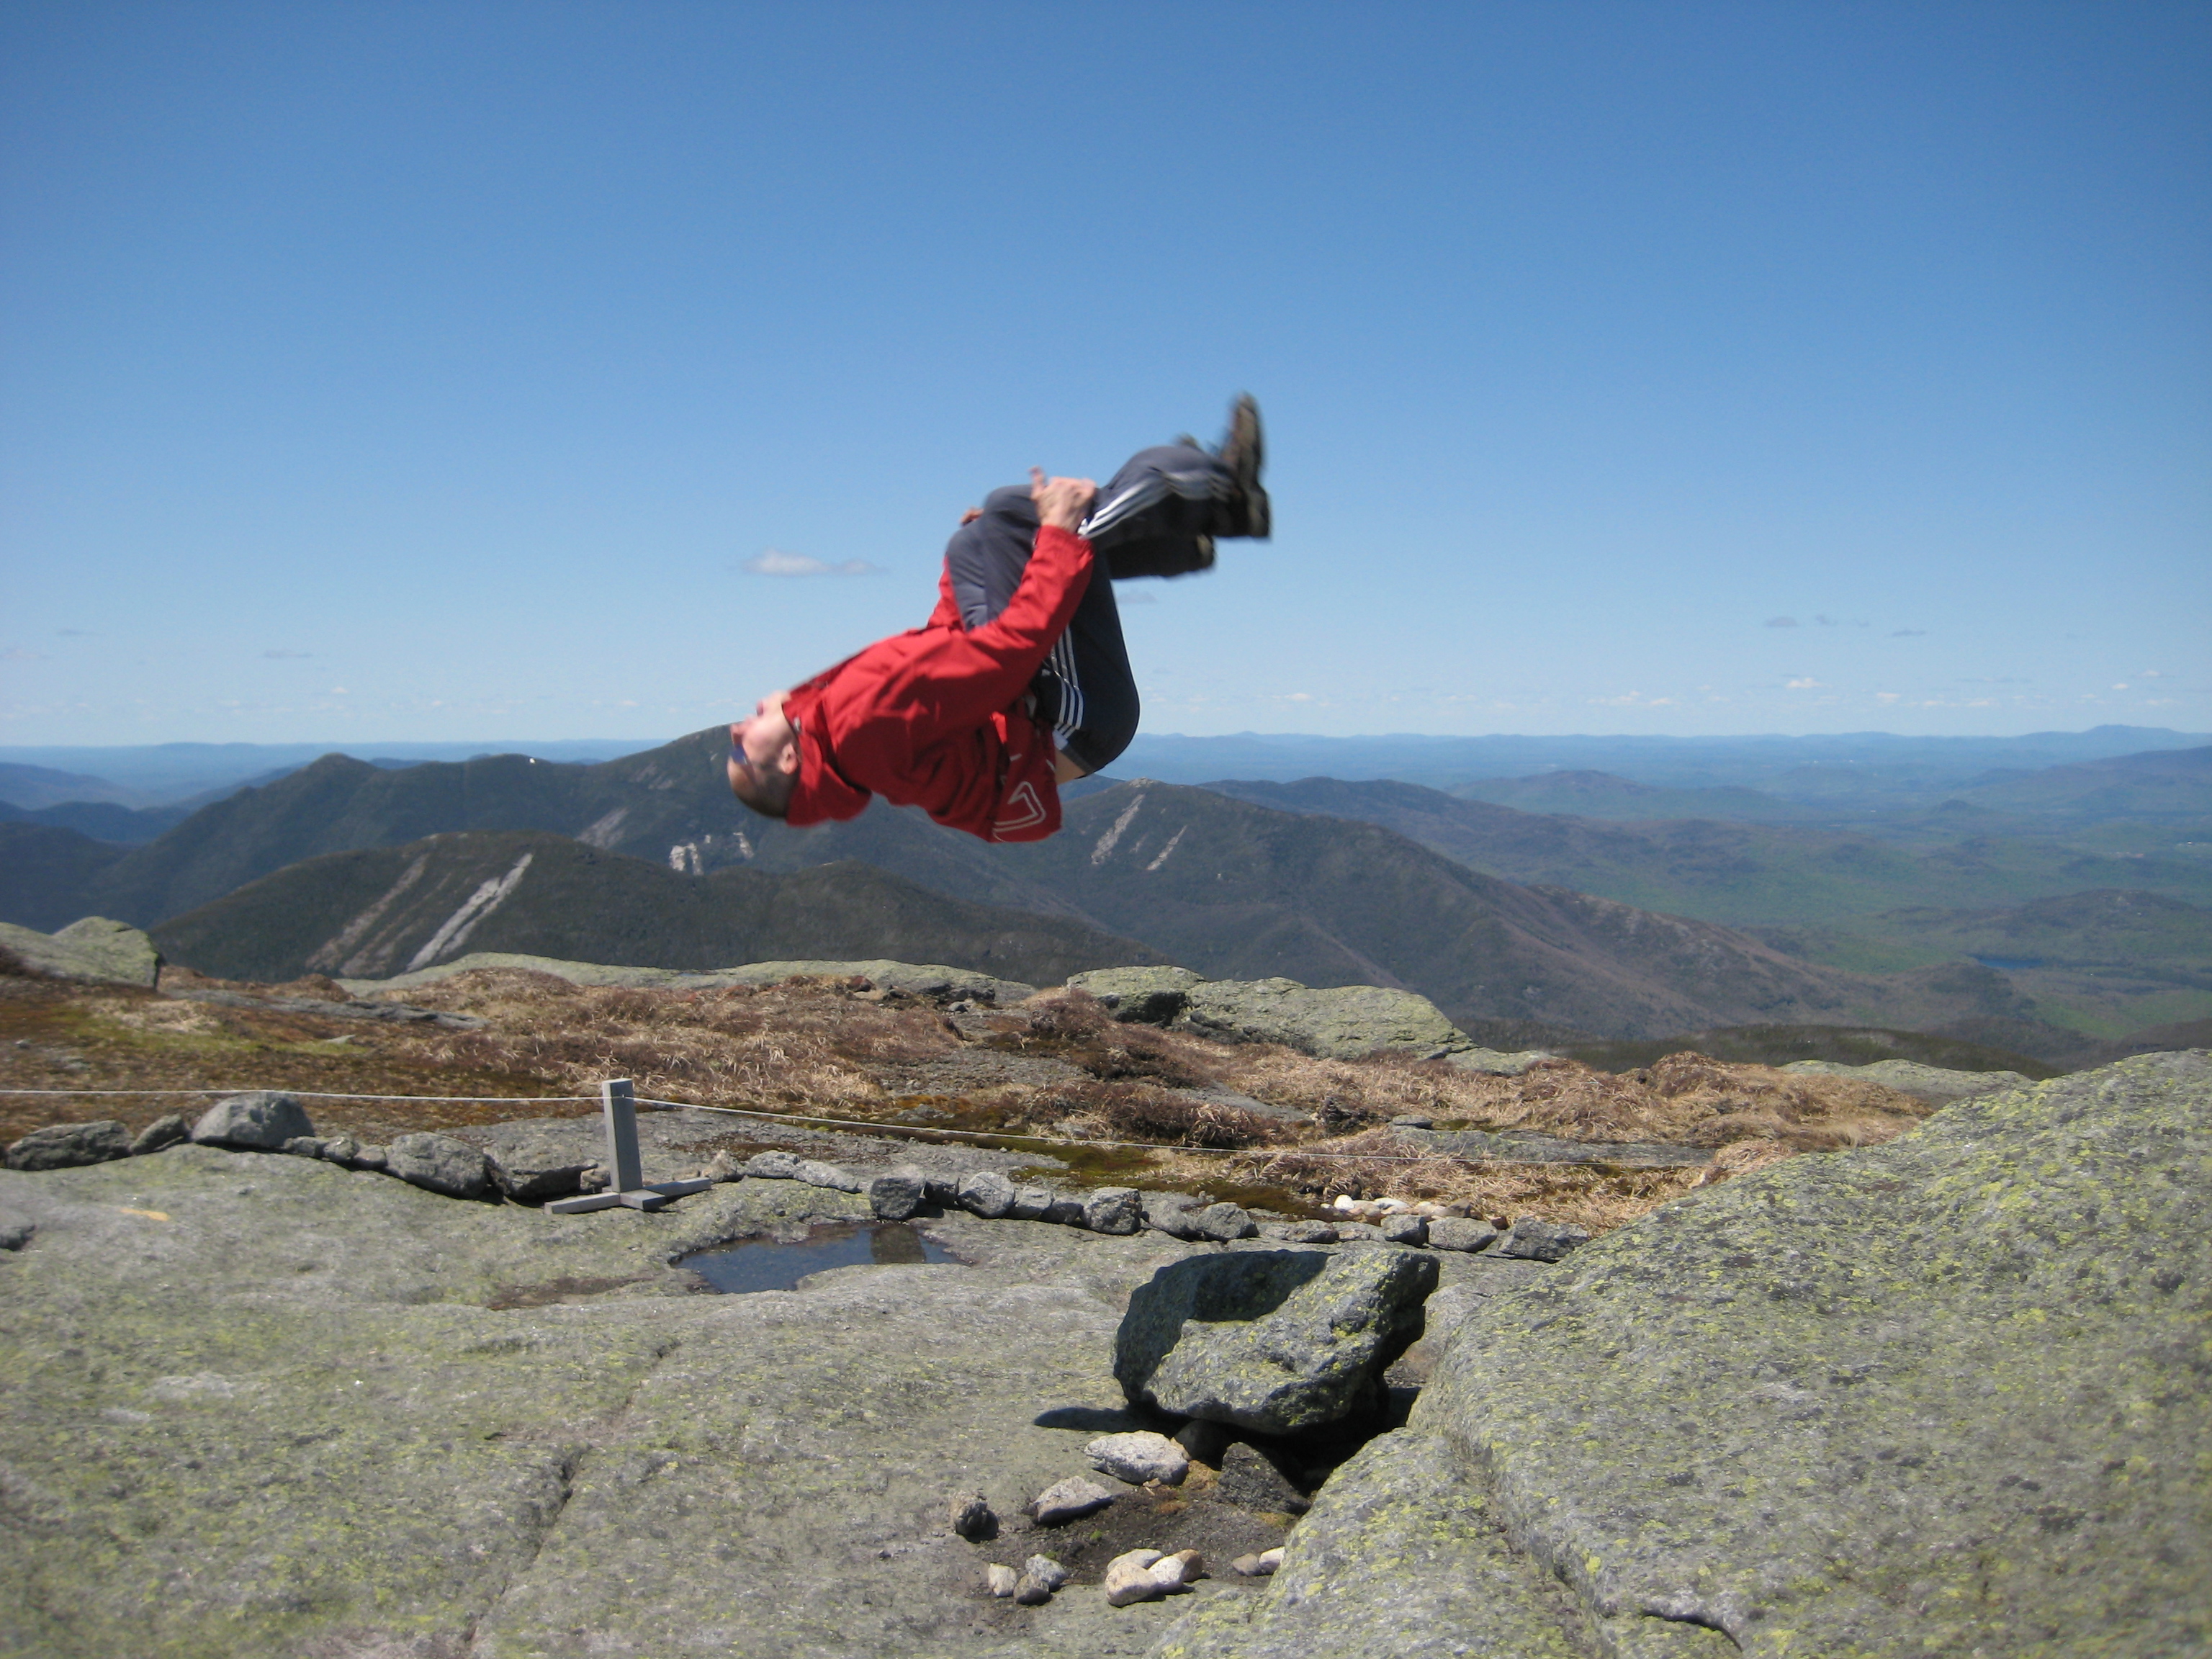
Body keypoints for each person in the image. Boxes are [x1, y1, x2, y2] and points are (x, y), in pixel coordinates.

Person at [726, 397, 1267, 843]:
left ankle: (1174, 540)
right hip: (1077, 723)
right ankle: (1221, 494)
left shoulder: (844, 735)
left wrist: (978, 553)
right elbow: (1006, 656)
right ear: (792, 757)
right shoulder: (858, 721)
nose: (736, 728)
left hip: (1040, 721)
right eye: (741, 748)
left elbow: (946, 645)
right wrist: (1053, 533)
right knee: (1017, 512)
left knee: (977, 538)